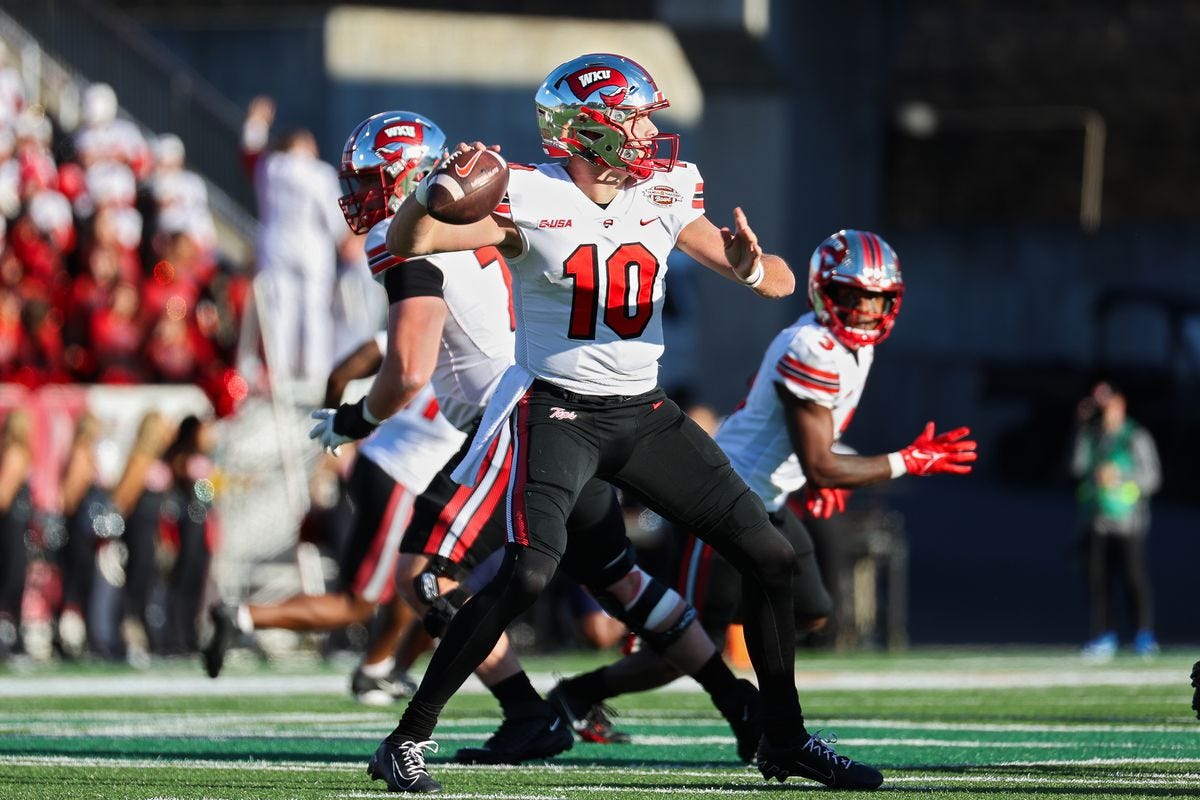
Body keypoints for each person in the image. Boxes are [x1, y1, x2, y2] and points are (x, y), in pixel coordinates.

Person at [367, 53, 884, 792]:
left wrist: (743, 263)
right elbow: (411, 242)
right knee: (529, 570)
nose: (650, 131)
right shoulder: (528, 197)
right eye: (637, 117)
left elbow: (775, 280)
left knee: (772, 558)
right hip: (557, 412)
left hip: (643, 413)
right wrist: (429, 195)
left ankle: (784, 739)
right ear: (593, 129)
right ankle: (406, 739)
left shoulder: (667, 190)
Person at [308, 109, 762, 774]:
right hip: (565, 406)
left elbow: (409, 363)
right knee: (617, 578)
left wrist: (355, 421)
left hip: (518, 416)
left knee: (427, 577)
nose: (366, 196)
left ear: (406, 176)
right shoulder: (489, 214)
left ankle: (524, 714)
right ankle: (737, 703)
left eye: (373, 180)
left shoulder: (404, 228)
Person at [549, 230, 977, 751]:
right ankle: (577, 694)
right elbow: (821, 464)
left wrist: (822, 475)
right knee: (687, 647)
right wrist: (905, 461)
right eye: (853, 296)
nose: (865, 310)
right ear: (825, 292)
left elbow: (811, 450)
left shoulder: (845, 347)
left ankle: (699, 647)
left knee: (811, 609)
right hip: (723, 501)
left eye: (876, 299)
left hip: (768, 499)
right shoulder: (813, 346)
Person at [202, 333, 460, 705]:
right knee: (360, 602)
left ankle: (380, 669)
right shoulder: (487, 340)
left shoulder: (428, 326)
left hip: (379, 463)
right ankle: (243, 616)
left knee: (421, 576)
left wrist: (339, 428)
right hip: (407, 476)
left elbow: (345, 371)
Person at [241, 95, 350, 394]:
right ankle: (315, 377)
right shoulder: (319, 172)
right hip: (313, 247)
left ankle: (279, 373)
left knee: (280, 311)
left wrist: (256, 120)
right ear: (301, 144)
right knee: (314, 312)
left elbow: (250, 150)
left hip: (275, 243)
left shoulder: (270, 167)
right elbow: (334, 220)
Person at [1071, 381, 1162, 659]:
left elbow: (1152, 478)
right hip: (1098, 519)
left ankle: (1143, 634)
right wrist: (1082, 427)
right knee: (1098, 580)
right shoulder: (1094, 435)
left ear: (1120, 404)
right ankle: (1103, 634)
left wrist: (1119, 477)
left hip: (1129, 521)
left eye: (1107, 404)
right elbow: (1076, 466)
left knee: (1133, 578)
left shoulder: (1135, 436)